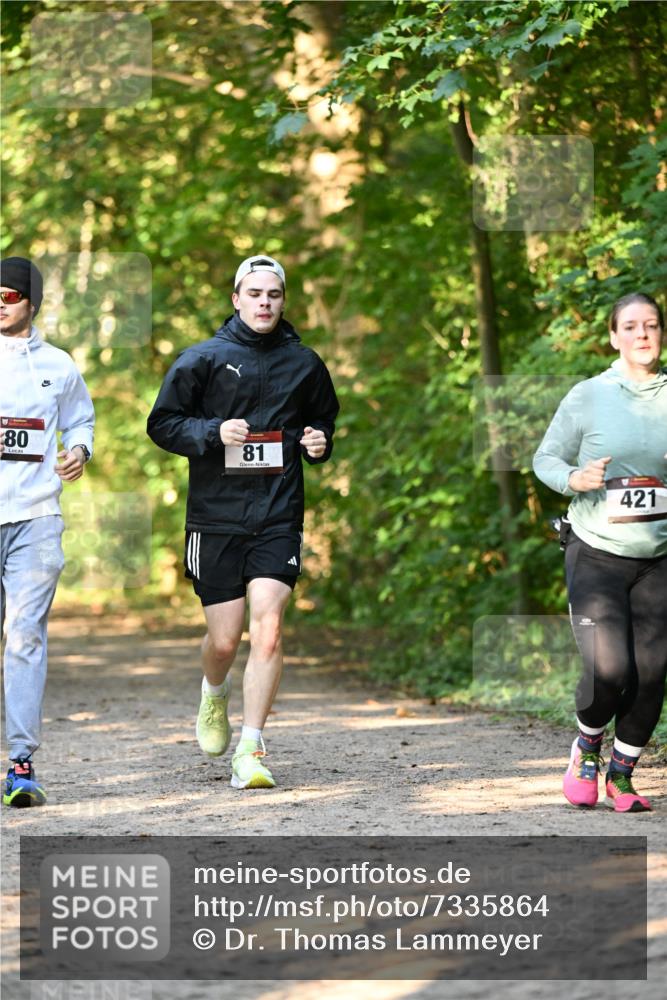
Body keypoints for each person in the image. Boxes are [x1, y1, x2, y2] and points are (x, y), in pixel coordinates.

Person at [147, 255, 339, 789]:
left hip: (278, 513)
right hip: (216, 518)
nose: (264, 303)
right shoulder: (202, 359)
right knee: (226, 642)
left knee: (270, 631)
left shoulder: (304, 363)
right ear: (236, 298)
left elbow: (321, 421)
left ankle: (251, 749)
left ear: (283, 300)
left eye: (273, 295)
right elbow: (162, 423)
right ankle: (214, 693)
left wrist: (319, 443)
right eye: (254, 294)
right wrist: (212, 433)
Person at [533, 291, 666, 813]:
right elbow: (545, 457)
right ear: (613, 337)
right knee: (610, 670)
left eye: (651, 325)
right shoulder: (589, 395)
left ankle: (623, 775)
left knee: (653, 672)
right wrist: (573, 478)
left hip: (657, 556)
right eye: (630, 326)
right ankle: (587, 745)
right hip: (596, 552)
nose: (642, 334)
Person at [1, 256, 95, 807]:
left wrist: (79, 449)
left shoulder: (58, 365)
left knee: (26, 636)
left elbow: (80, 417)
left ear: (31, 302)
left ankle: (20, 761)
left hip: (36, 518)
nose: (0, 304)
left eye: (9, 296)